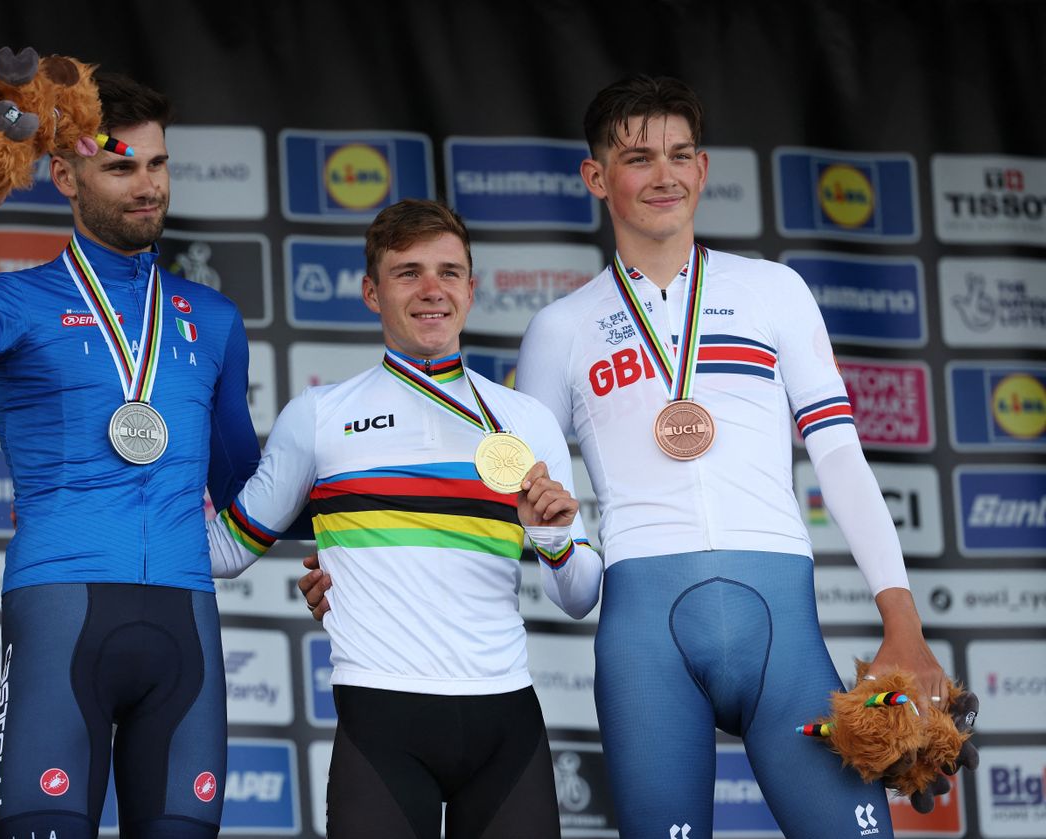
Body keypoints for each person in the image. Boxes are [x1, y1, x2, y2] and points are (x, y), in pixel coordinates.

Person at [511, 74, 950, 838]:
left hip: (783, 630)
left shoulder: (772, 290)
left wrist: (902, 619)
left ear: (703, 169)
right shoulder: (561, 328)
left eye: (680, 154)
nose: (664, 174)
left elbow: (841, 457)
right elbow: (574, 587)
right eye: (639, 157)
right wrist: (551, 541)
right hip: (644, 639)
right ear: (595, 178)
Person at [0, 73, 259, 839]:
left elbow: (246, 486)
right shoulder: (15, 301)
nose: (147, 185)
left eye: (157, 164)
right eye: (122, 167)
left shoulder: (214, 320)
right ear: (66, 176)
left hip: (186, 620)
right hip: (61, 611)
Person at [208, 199, 603, 839]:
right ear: (371, 292)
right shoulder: (318, 414)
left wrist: (555, 539)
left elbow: (581, 596)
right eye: (407, 272)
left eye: (449, 273)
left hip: (505, 720)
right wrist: (108, 514)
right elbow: (226, 552)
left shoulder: (525, 421)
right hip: (381, 719)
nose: (431, 290)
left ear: (472, 291)